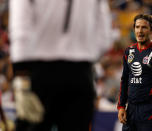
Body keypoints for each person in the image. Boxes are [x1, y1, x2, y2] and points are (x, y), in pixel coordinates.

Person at [9, 0, 114, 131]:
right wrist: (84, 54)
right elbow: (104, 38)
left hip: (38, 73)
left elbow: (20, 27)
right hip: (80, 73)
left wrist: (20, 73)